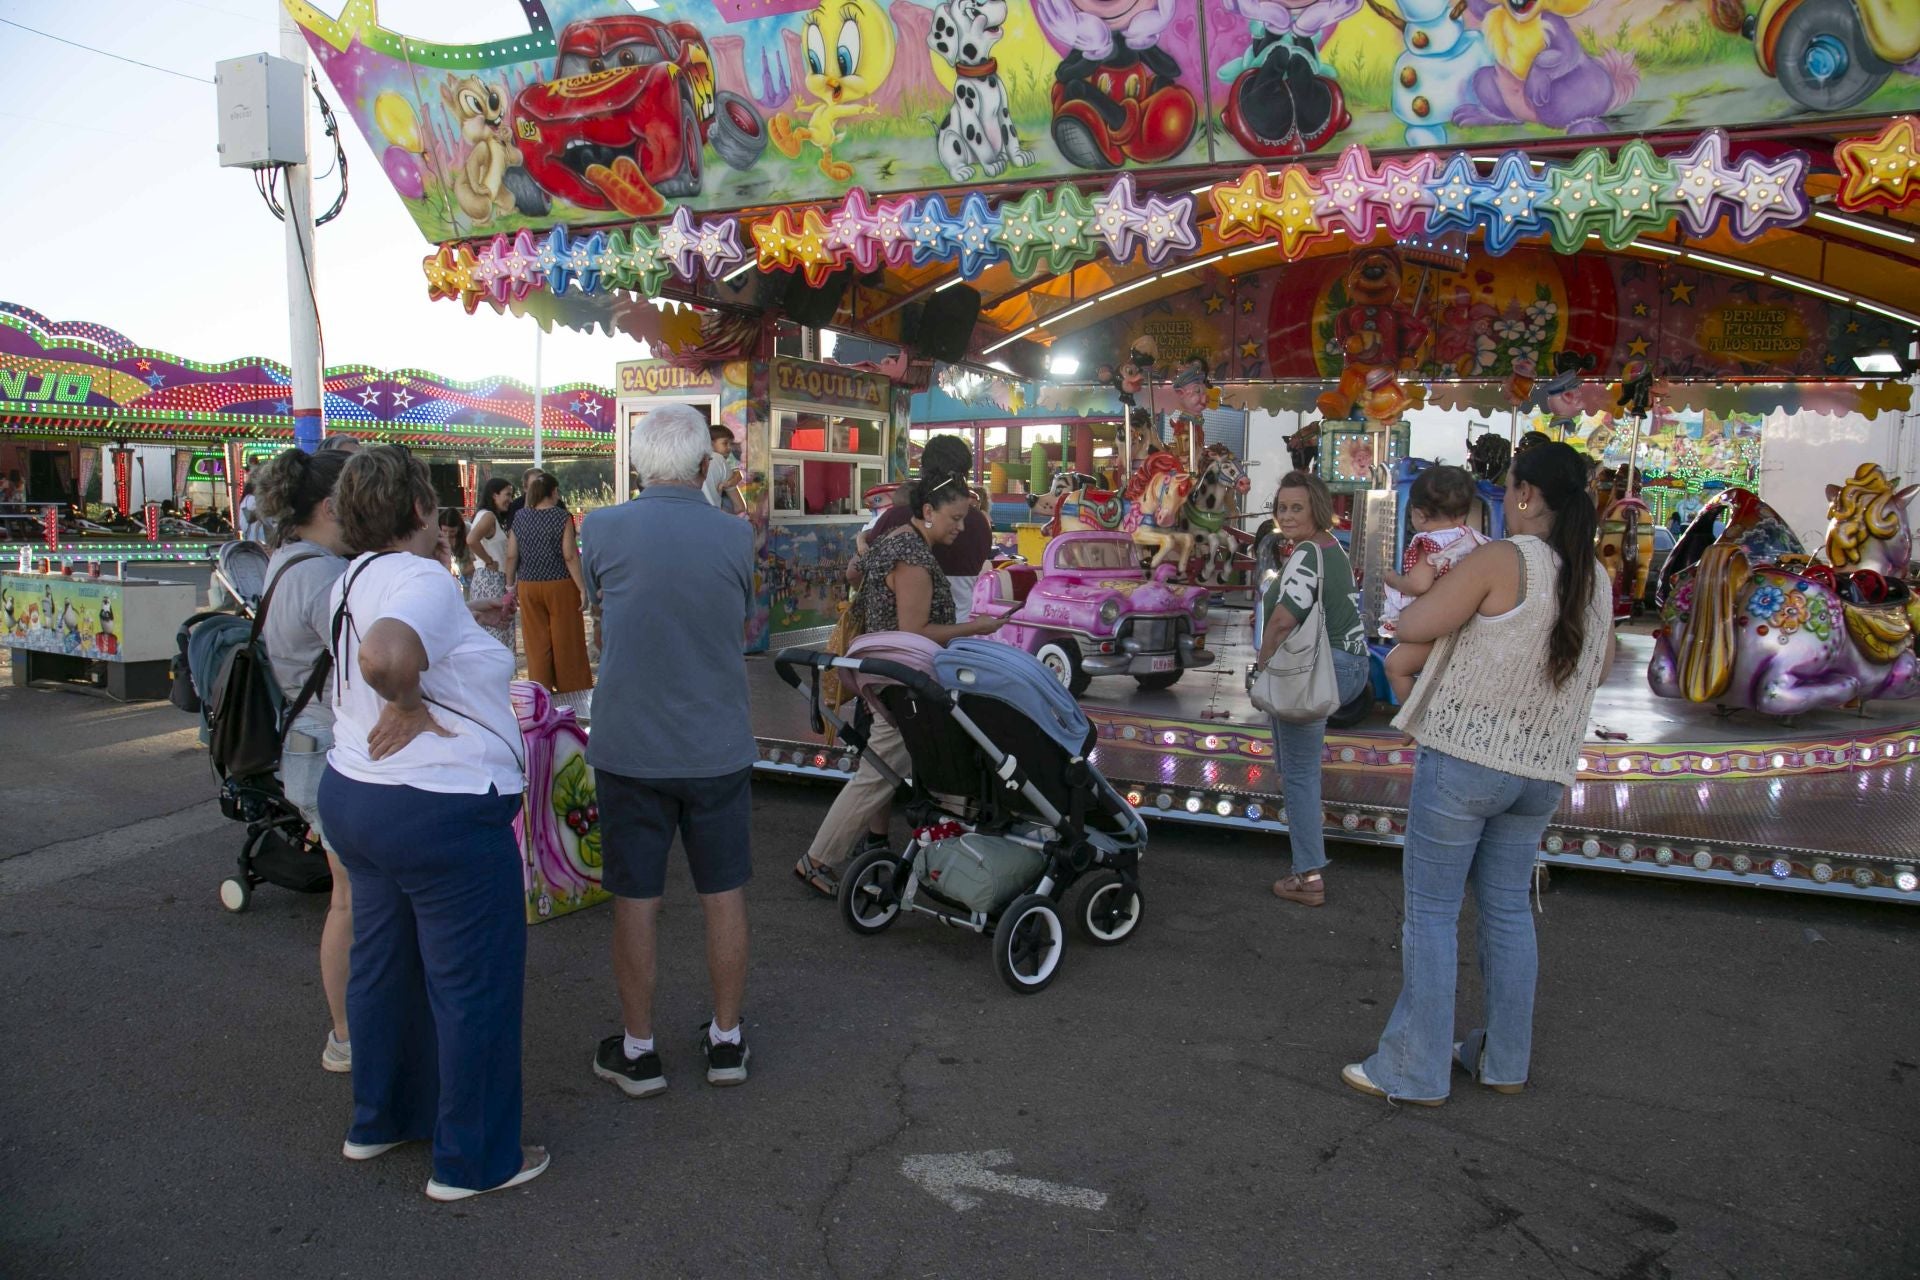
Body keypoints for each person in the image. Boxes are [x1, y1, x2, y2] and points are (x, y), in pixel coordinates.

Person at [1343, 442, 1614, 1105]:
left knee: (1432, 916)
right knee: (1508, 911)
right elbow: (1599, 668)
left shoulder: (1504, 558)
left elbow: (1415, 620)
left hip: (1467, 761)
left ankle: (1415, 1070)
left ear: (1525, 495)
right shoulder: (1596, 580)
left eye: (1510, 486)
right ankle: (1503, 1061)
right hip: (1539, 772)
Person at [316, 445, 544, 1201]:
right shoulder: (420, 578)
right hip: (439, 810)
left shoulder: (353, 576)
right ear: (420, 508)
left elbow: (388, 643)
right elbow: (387, 655)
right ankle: (474, 1160)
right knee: (473, 983)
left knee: (384, 968)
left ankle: (380, 1119)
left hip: (360, 798)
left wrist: (451, 639)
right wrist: (409, 702)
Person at [579, 403, 757, 1097]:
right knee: (723, 894)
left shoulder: (600, 527)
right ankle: (726, 1042)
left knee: (635, 899)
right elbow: (736, 618)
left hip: (630, 744)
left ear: (636, 465)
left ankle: (639, 1050)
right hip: (717, 743)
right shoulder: (736, 534)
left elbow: (604, 606)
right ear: (706, 464)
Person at [795, 467, 1005, 895]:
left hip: (886, 674)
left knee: (885, 770)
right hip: (904, 681)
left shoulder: (894, 540)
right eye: (955, 518)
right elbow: (916, 632)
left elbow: (855, 573)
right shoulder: (914, 560)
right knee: (878, 774)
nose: (961, 528)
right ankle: (817, 860)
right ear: (928, 510)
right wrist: (978, 627)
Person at [250, 446, 354, 1073]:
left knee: (349, 898)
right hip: (330, 744)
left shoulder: (287, 561)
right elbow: (369, 666)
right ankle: (347, 1034)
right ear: (331, 506)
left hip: (305, 743)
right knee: (354, 901)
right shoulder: (323, 578)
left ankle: (349, 1030)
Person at [1253, 471, 1370, 909]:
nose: (1286, 515)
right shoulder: (1329, 548)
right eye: (1281, 508)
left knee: (1300, 775)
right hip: (1347, 664)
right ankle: (1307, 866)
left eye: (1296, 507)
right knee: (1294, 767)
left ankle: (1309, 876)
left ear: (1316, 508)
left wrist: (1263, 663)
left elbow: (1283, 619)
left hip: (1319, 668)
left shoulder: (1306, 554)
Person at [1381, 466, 1490, 703]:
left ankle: (1411, 717)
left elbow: (1419, 584)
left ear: (1419, 514)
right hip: (1469, 625)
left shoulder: (1430, 543)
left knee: (1395, 666)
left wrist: (1393, 579)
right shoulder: (1473, 539)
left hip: (1435, 629)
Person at [862, 435, 992, 621]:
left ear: (923, 472)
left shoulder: (894, 517)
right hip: (959, 630)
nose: (960, 527)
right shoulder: (980, 523)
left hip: (899, 634)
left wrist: (861, 540)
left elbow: (859, 572)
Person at [504, 471, 594, 713]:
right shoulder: (562, 517)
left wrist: (510, 585)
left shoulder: (520, 517)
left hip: (529, 585)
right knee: (567, 642)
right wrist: (582, 588)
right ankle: (573, 697)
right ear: (553, 492)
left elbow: (511, 555)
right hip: (560, 585)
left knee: (536, 644)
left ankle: (541, 697)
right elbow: (570, 555)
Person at [466, 478, 518, 650]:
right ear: (494, 495)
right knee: (496, 630)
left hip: (490, 578)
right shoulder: (488, 516)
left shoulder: (487, 516)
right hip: (491, 579)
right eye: (507, 495)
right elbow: (471, 540)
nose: (510, 499)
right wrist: (488, 560)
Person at [702, 424, 745, 513]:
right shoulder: (720, 460)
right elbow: (740, 507)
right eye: (725, 443)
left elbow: (737, 473)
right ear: (711, 444)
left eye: (731, 444)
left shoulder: (694, 460)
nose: (729, 448)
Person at [438, 507, 473, 595]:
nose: (447, 535)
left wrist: (459, 573)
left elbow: (476, 561)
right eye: (444, 531)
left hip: (469, 577)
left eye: (452, 532)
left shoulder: (469, 530)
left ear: (459, 528)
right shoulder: (437, 535)